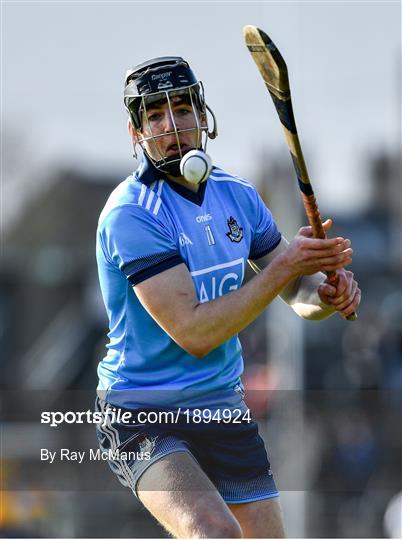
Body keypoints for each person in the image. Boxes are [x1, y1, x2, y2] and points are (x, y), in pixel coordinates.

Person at [95, 56, 361, 538]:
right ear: (136, 133)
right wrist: (289, 264)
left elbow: (298, 296)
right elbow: (196, 332)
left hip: (221, 406)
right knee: (214, 532)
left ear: (203, 116)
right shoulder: (131, 214)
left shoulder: (237, 196)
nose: (171, 124)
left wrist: (326, 292)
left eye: (181, 108)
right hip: (142, 414)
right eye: (155, 115)